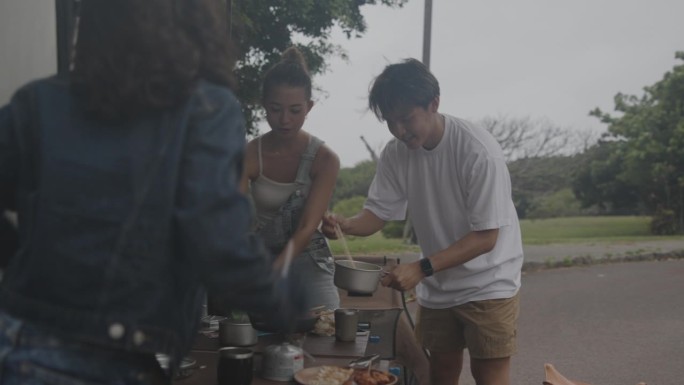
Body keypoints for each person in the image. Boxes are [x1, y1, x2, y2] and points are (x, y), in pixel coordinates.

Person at [0, 1, 305, 384]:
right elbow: (216, 242)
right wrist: (285, 302)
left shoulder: (40, 101)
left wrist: (20, 261)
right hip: (106, 360)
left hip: (16, 340)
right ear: (193, 22)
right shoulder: (206, 108)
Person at [322, 59, 523, 385]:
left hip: (490, 281)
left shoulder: (477, 150)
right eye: (390, 121)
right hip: (438, 287)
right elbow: (377, 214)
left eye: (406, 118)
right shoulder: (395, 153)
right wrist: (346, 225)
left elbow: (486, 237)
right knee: (440, 374)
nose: (400, 130)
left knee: (488, 375)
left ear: (434, 103)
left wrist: (421, 268)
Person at [240, 46, 341, 311]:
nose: (284, 120)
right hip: (259, 255)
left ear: (309, 107)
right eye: (275, 109)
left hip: (308, 255)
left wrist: (276, 271)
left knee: (325, 325)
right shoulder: (249, 155)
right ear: (263, 105)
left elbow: (308, 226)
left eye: (295, 110)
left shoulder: (325, 159)